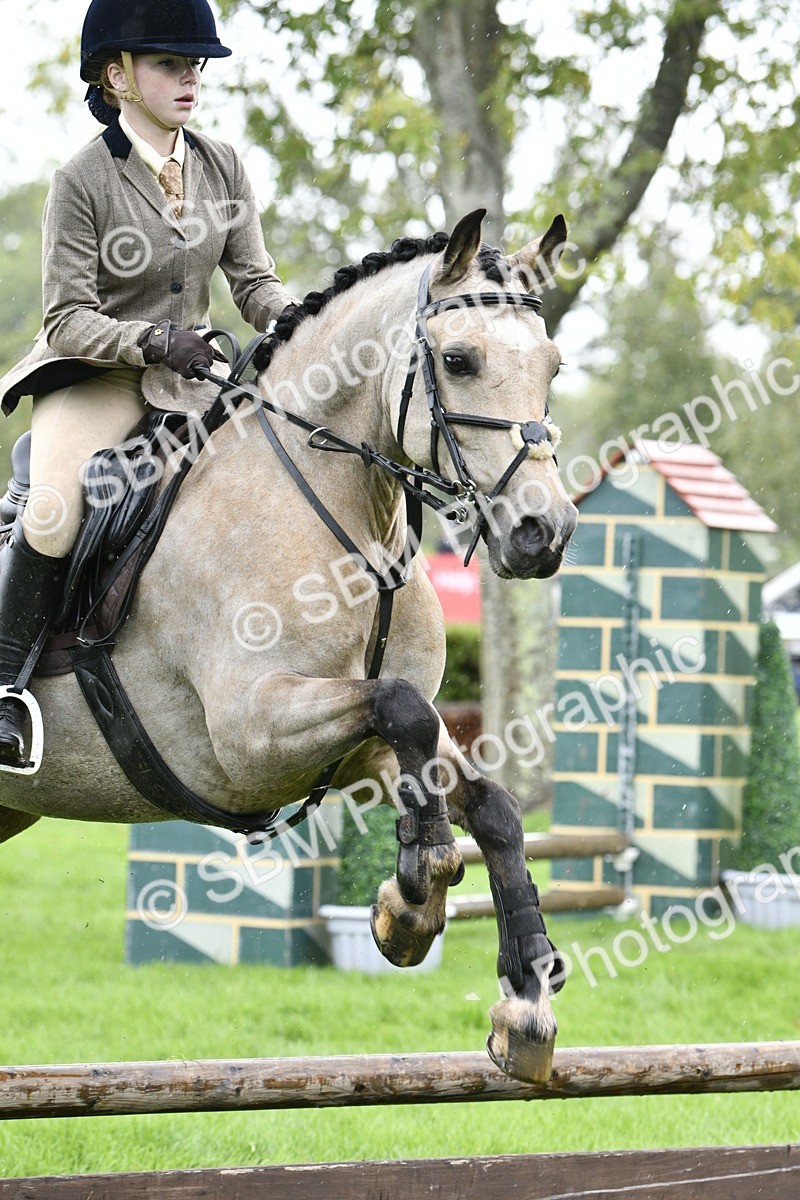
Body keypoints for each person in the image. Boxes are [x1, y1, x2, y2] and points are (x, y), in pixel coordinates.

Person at [0, 0, 298, 770]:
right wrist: (155, 340)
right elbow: (66, 318)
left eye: (195, 64)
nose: (190, 77)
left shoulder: (224, 163)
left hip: (191, 382)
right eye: (170, 63)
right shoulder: (81, 180)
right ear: (116, 75)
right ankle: (3, 690)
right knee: (55, 509)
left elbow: (255, 282)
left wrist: (304, 319)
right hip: (97, 374)